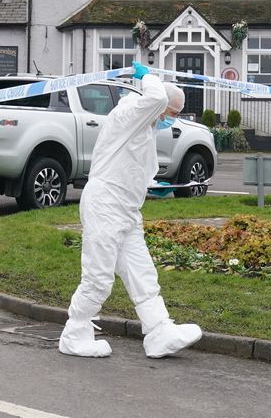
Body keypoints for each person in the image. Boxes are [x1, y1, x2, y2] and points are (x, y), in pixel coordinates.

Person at [59, 63, 203, 358]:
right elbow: (156, 100)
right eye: (172, 114)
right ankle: (76, 332)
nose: (170, 121)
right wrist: (147, 75)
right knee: (98, 276)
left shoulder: (144, 126)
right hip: (105, 205)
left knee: (143, 274)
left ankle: (159, 331)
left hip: (127, 210)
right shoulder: (130, 113)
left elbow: (134, 165)